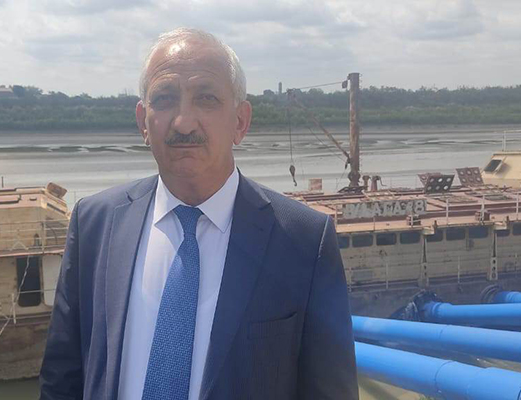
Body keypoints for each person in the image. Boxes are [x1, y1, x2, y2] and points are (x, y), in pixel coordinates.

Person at [39, 27, 358, 400]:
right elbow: (61, 380)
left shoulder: (303, 241)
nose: (184, 122)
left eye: (206, 99)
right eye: (165, 99)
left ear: (240, 121)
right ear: (143, 121)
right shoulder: (94, 224)